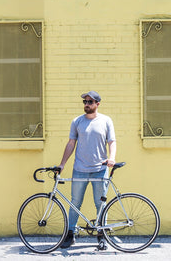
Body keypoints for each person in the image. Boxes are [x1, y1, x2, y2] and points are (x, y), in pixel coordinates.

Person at [55, 90, 116, 249]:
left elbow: (112, 142)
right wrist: (62, 164)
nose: (87, 104)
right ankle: (70, 234)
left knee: (100, 204)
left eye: (90, 102)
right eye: (85, 102)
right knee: (75, 202)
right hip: (80, 169)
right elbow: (70, 144)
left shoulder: (106, 121)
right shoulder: (77, 121)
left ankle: (102, 236)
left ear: (97, 104)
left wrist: (112, 158)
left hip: (100, 170)